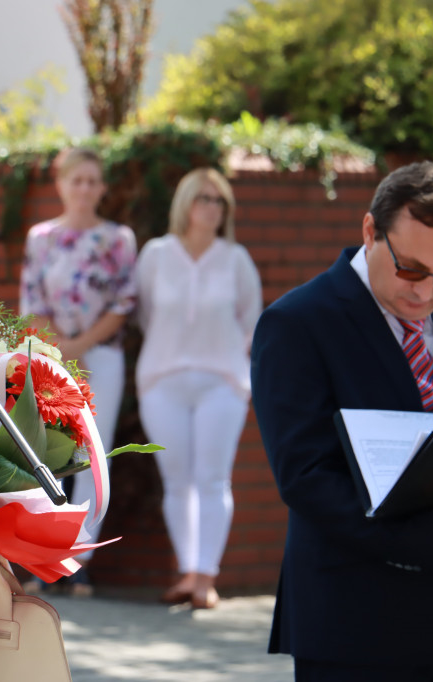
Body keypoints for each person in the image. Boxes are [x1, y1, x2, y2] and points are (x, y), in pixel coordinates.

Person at [251, 161, 433, 681]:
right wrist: (421, 536)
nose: (426, 292)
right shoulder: (296, 324)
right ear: (370, 232)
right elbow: (303, 476)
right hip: (354, 624)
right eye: (412, 269)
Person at [135, 168, 262, 610]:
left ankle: (206, 576)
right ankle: (187, 570)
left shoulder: (236, 258)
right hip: (162, 380)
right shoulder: (156, 254)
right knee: (176, 480)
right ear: (185, 203)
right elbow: (147, 313)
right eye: (203, 198)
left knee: (211, 478)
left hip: (222, 382)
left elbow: (251, 321)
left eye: (219, 200)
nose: (211, 207)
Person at [19, 147, 137, 595]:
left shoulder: (119, 238)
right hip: (51, 353)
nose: (84, 188)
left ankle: (79, 557)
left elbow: (125, 300)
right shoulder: (41, 237)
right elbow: (32, 300)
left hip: (101, 355)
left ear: (102, 187)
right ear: (62, 185)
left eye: (92, 181)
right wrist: (61, 349)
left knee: (92, 453)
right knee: (49, 449)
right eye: (77, 180)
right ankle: (41, 555)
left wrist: (83, 346)